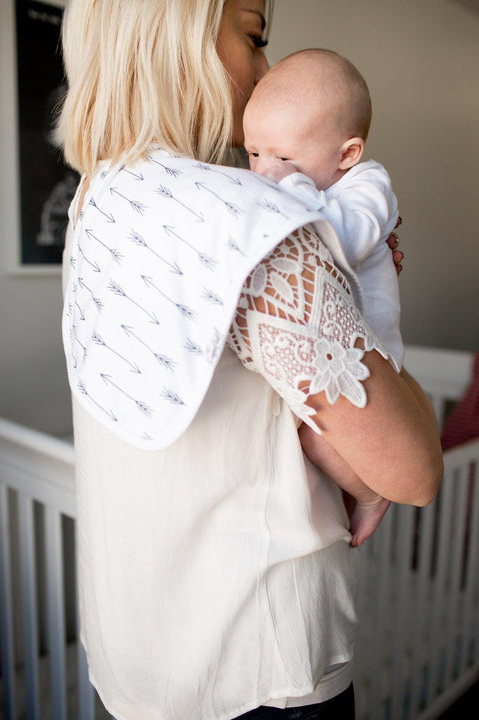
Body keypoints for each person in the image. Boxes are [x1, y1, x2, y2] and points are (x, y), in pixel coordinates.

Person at [57, 2, 443, 720]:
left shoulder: (97, 202)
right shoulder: (252, 224)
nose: (266, 70)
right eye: (254, 36)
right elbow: (412, 469)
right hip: (264, 666)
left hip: (138, 660)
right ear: (177, 30)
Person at [243, 48, 404, 546]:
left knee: (315, 435)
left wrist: (292, 192)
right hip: (325, 343)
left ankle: (373, 494)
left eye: (285, 158)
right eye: (253, 153)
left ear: (347, 154)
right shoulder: (295, 180)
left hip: (368, 359)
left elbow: (346, 239)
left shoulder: (368, 185)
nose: (265, 173)